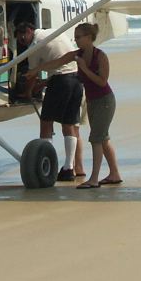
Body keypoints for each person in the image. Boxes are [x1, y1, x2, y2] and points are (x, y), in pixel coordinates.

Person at [19, 18, 86, 182]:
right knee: (69, 124)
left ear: (29, 32)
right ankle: (69, 168)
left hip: (61, 81)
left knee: (46, 122)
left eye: (22, 38)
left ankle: (45, 164)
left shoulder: (34, 46)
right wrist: (45, 83)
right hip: (76, 79)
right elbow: (62, 64)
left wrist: (27, 92)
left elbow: (31, 74)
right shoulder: (50, 33)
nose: (22, 42)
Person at [68, 22, 121, 188]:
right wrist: (35, 70)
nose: (75, 40)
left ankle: (93, 179)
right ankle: (114, 174)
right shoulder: (79, 54)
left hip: (105, 100)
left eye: (78, 37)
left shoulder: (100, 56)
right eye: (75, 37)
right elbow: (58, 61)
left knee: (96, 139)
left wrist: (84, 67)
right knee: (103, 139)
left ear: (89, 38)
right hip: (92, 101)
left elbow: (102, 81)